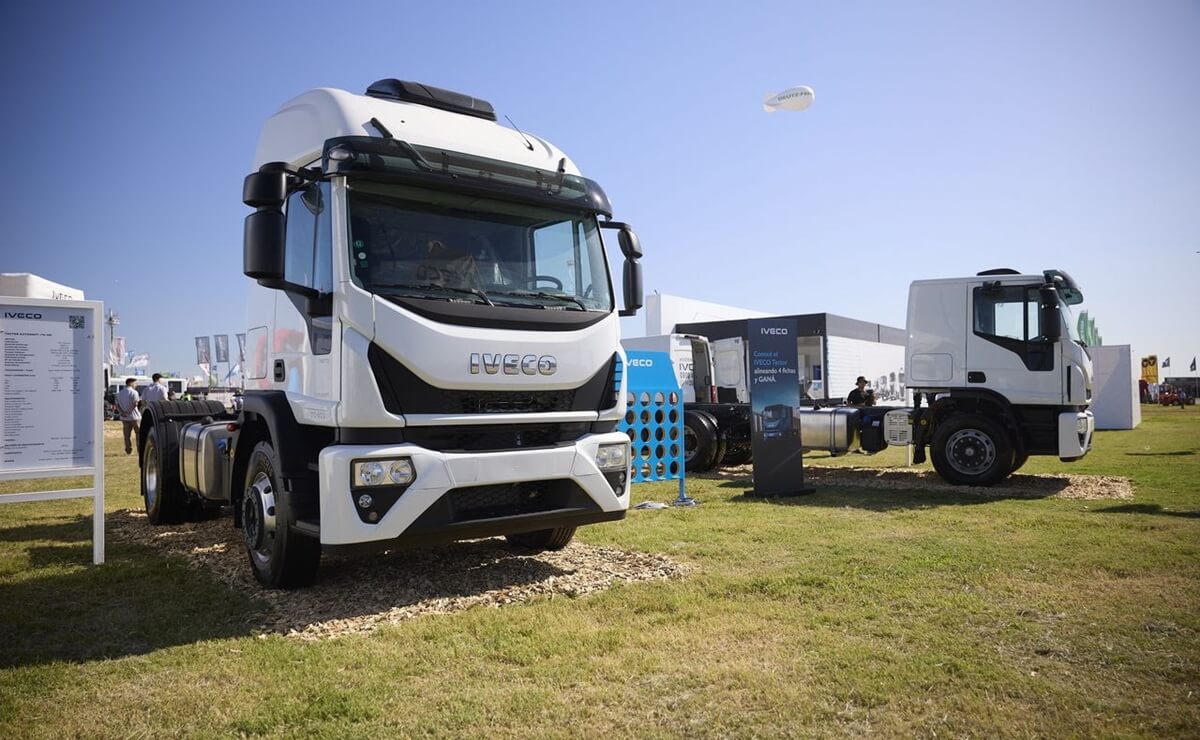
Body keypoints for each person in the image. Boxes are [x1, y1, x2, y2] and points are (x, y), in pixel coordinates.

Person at [115, 378, 141, 455]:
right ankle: (140, 450)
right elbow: (135, 403)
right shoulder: (134, 392)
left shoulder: (120, 393)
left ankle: (128, 449)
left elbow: (117, 405)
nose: (136, 385)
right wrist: (128, 412)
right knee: (138, 433)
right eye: (135, 383)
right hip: (134, 416)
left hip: (124, 417)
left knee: (127, 435)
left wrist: (122, 412)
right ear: (131, 383)